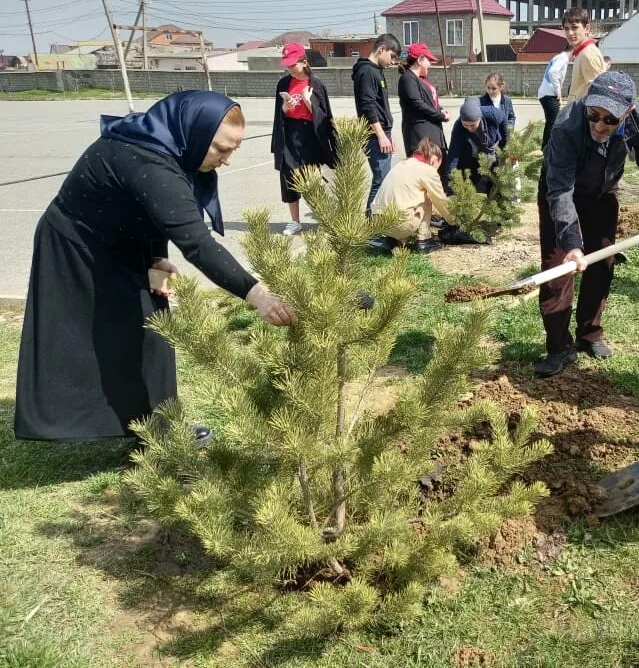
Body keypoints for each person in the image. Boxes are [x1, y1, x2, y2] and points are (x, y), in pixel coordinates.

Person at [14, 92, 296, 443]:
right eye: (221, 149)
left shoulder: (163, 142)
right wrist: (259, 296)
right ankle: (147, 430)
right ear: (193, 133)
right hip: (79, 245)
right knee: (98, 335)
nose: (226, 160)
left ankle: (152, 426)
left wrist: (154, 259)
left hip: (121, 240)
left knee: (152, 326)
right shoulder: (148, 161)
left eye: (233, 150)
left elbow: (151, 211)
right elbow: (197, 244)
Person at [535, 71, 639, 377]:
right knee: (558, 269)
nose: (599, 125)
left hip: (603, 193)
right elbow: (560, 189)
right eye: (594, 115)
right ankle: (558, 347)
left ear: (628, 113)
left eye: (610, 120)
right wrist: (571, 243)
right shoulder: (568, 125)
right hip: (560, 190)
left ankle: (589, 334)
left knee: (602, 261)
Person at [270, 42, 338, 236]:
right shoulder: (283, 84)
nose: (290, 69)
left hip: (310, 134)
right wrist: (285, 108)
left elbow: (323, 117)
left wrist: (308, 102)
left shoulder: (316, 84)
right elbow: (279, 114)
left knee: (310, 177)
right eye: (287, 65)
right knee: (288, 175)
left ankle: (324, 217)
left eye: (293, 65)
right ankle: (294, 221)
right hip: (289, 132)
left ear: (304, 62)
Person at [370, 138, 454, 254]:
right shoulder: (427, 170)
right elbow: (440, 200)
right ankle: (424, 241)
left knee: (409, 196)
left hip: (378, 223)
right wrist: (453, 221)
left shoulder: (401, 164)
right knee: (428, 194)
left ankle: (393, 239)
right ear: (434, 160)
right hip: (398, 224)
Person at [352, 33, 401, 212]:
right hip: (374, 136)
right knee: (381, 179)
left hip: (381, 133)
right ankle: (372, 224)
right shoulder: (367, 72)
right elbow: (368, 106)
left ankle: (375, 222)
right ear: (381, 49)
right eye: (392, 56)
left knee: (383, 178)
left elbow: (380, 106)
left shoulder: (376, 70)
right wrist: (381, 135)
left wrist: (387, 134)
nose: (393, 62)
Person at [444, 97, 508, 193]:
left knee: (496, 184)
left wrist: (506, 147)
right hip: (473, 154)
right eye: (466, 125)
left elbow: (504, 122)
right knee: (478, 184)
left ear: (479, 118)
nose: (469, 128)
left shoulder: (492, 114)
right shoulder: (458, 126)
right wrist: (450, 182)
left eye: (473, 125)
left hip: (492, 149)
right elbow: (453, 155)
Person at [397, 42, 449, 157]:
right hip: (420, 136)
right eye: (428, 60)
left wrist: (441, 110)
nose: (430, 64)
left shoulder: (423, 79)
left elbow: (430, 102)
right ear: (420, 59)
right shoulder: (407, 79)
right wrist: (439, 115)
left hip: (433, 133)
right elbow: (417, 104)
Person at [563, 7, 607, 104]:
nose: (570, 33)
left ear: (587, 28)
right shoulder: (581, 53)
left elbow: (598, 94)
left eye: (574, 27)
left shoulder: (588, 54)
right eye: (566, 28)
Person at [538, 42, 572, 148]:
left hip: (547, 93)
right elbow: (552, 72)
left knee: (551, 122)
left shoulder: (560, 57)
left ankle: (546, 147)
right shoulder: (562, 58)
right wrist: (558, 92)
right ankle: (549, 148)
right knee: (554, 123)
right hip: (549, 94)